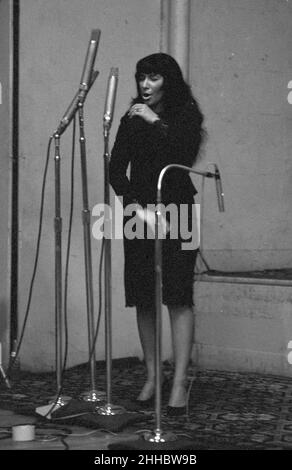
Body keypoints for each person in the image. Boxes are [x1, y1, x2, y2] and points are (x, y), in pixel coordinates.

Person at [109, 53, 205, 416]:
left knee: (179, 295)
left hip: (180, 209)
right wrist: (135, 205)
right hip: (141, 213)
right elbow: (116, 169)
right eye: (141, 79)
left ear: (169, 80)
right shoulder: (131, 117)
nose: (144, 86)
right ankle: (152, 376)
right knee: (143, 295)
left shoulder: (186, 114)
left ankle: (179, 382)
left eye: (152, 78)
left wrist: (156, 120)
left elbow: (184, 154)